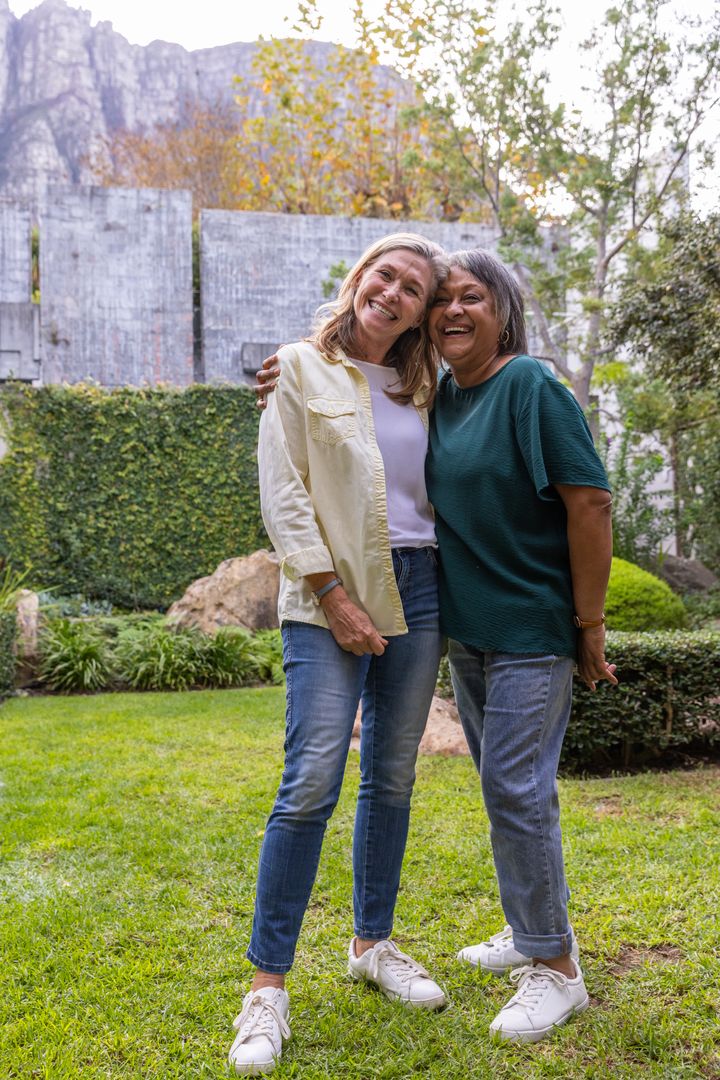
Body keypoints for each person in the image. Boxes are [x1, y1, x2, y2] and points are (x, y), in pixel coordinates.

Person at [255, 244, 617, 1047]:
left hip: (482, 613)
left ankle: (527, 960)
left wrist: (589, 625)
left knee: (466, 783)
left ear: (498, 314)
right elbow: (305, 469)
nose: (445, 307)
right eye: (434, 294)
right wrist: (289, 375)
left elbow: (588, 501)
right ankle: (523, 930)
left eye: (462, 296)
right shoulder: (382, 383)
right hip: (404, 611)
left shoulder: (485, 386)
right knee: (362, 783)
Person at [228, 234, 450, 1076]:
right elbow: (283, 493)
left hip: (423, 586)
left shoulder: (431, 388)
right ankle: (266, 989)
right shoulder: (296, 368)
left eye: (412, 289)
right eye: (384, 275)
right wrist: (334, 596)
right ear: (360, 279)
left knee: (391, 776)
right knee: (311, 780)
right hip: (328, 591)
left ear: (421, 313)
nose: (392, 293)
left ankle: (371, 945)